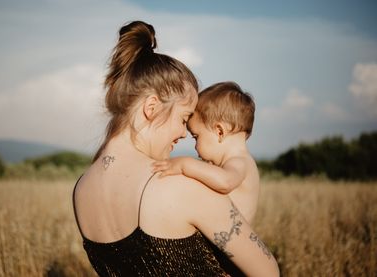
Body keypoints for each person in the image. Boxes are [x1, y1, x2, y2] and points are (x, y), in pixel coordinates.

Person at [72, 20, 279, 276]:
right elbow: (267, 272)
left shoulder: (81, 190)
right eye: (183, 119)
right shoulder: (177, 184)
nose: (183, 134)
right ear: (151, 108)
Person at [152, 81, 259, 225]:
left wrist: (185, 164)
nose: (195, 146)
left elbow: (225, 182)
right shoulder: (236, 162)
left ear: (220, 132)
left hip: (229, 244)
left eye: (196, 137)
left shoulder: (240, 162)